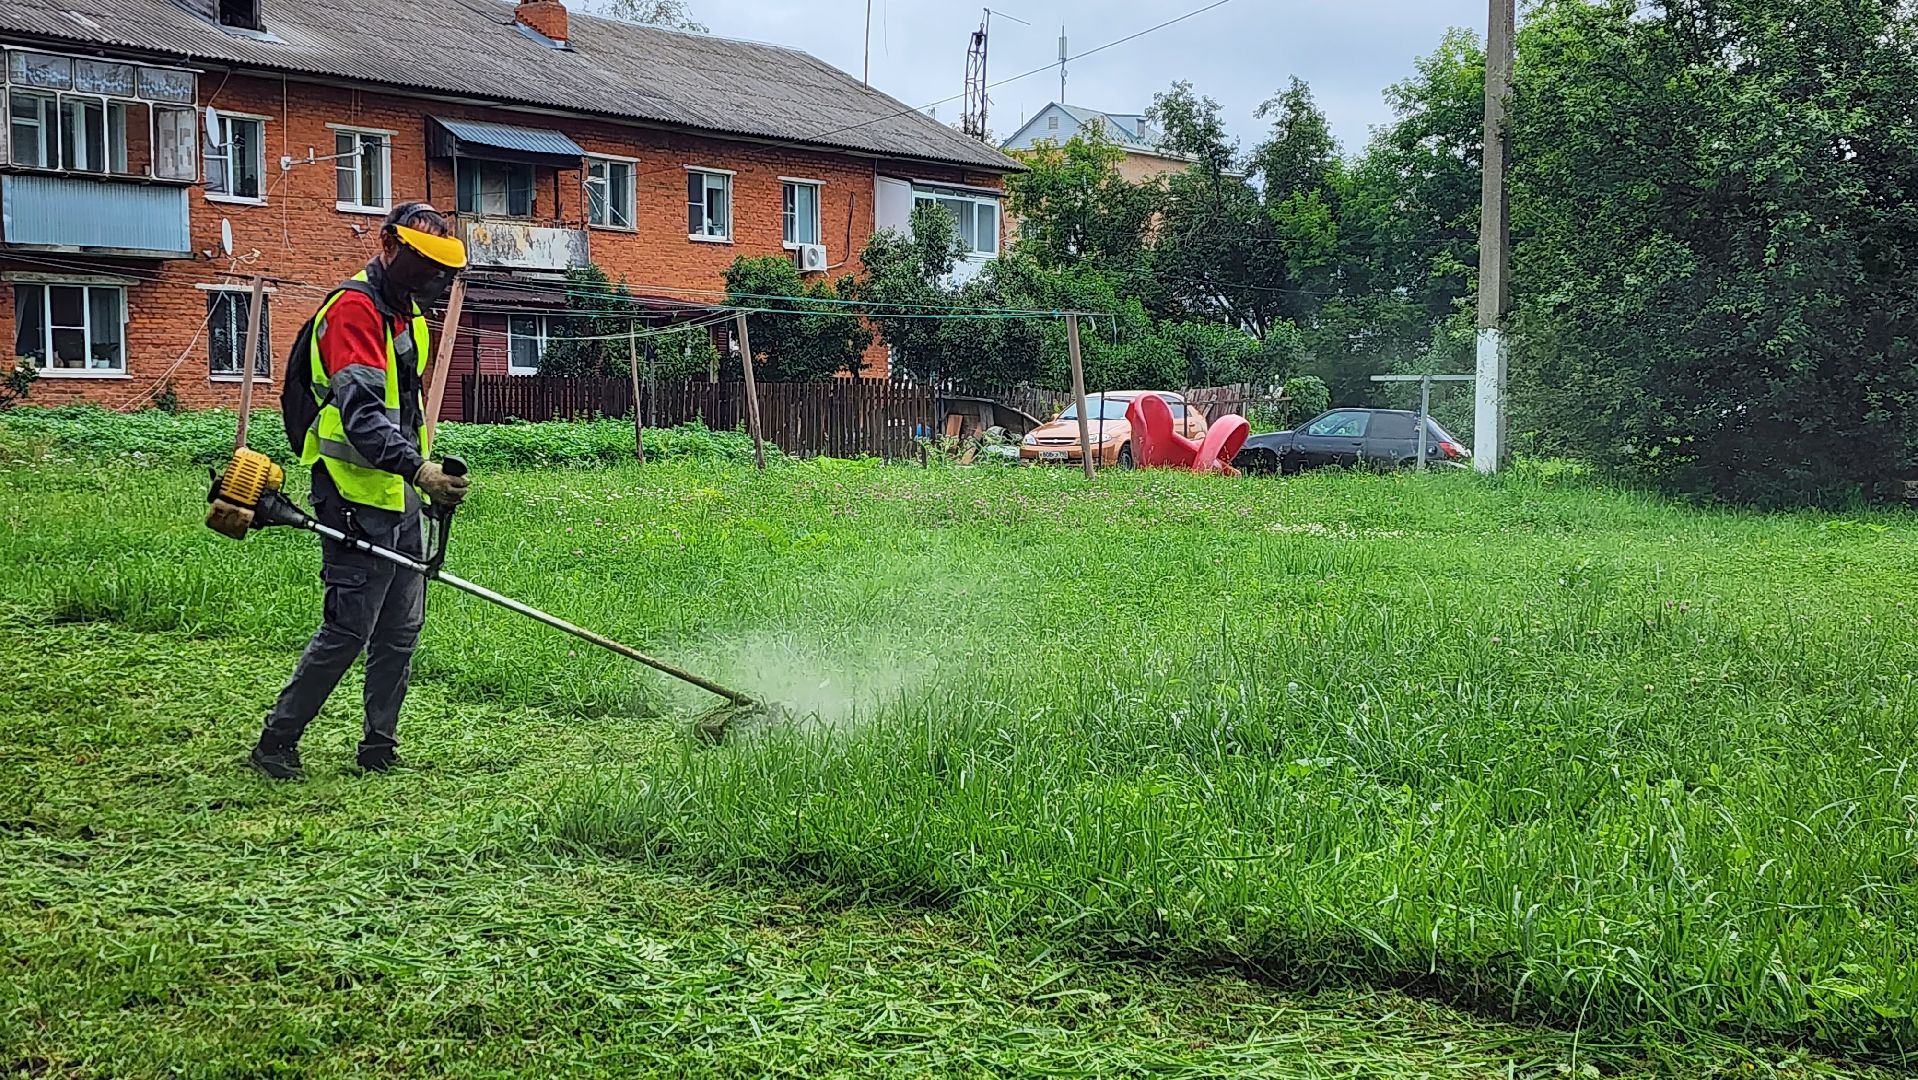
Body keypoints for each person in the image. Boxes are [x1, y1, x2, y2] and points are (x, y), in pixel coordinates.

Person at [250, 202, 471, 780]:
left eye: (442, 269)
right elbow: (363, 418)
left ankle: (378, 747)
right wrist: (421, 470)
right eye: (423, 263)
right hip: (351, 493)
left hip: (397, 497)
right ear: (388, 246)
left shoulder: (410, 315)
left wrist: (423, 481)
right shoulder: (354, 310)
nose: (433, 278)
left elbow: (408, 410)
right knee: (349, 628)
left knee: (401, 628)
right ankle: (277, 741)